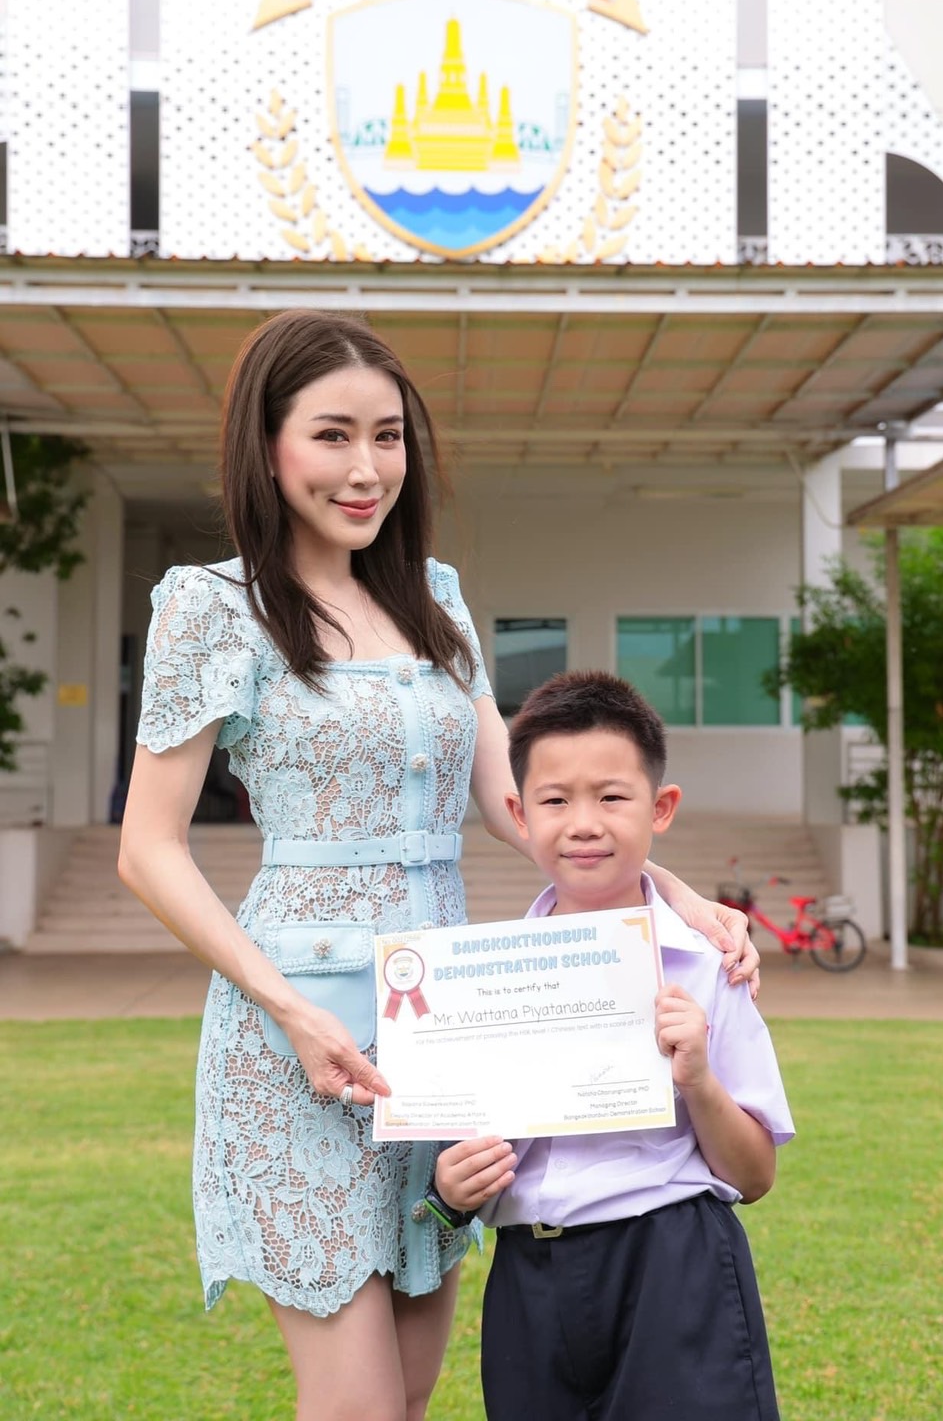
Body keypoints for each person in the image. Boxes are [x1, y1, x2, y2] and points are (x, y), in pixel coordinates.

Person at [117, 310, 759, 1421]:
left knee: (411, 1393)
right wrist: (288, 1012)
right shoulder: (212, 608)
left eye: (387, 437)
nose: (365, 469)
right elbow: (147, 847)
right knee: (357, 1405)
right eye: (331, 435)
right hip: (296, 1044)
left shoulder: (435, 596)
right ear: (266, 445)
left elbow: (520, 805)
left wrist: (679, 892)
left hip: (448, 1032)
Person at [433, 671, 793, 1421]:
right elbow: (464, 1157)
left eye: (612, 797)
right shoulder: (478, 984)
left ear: (661, 808)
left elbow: (755, 1175)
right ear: (518, 814)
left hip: (674, 1265)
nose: (584, 824)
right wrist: (455, 1187)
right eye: (555, 801)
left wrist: (698, 1080)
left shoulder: (709, 966)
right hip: (530, 1279)